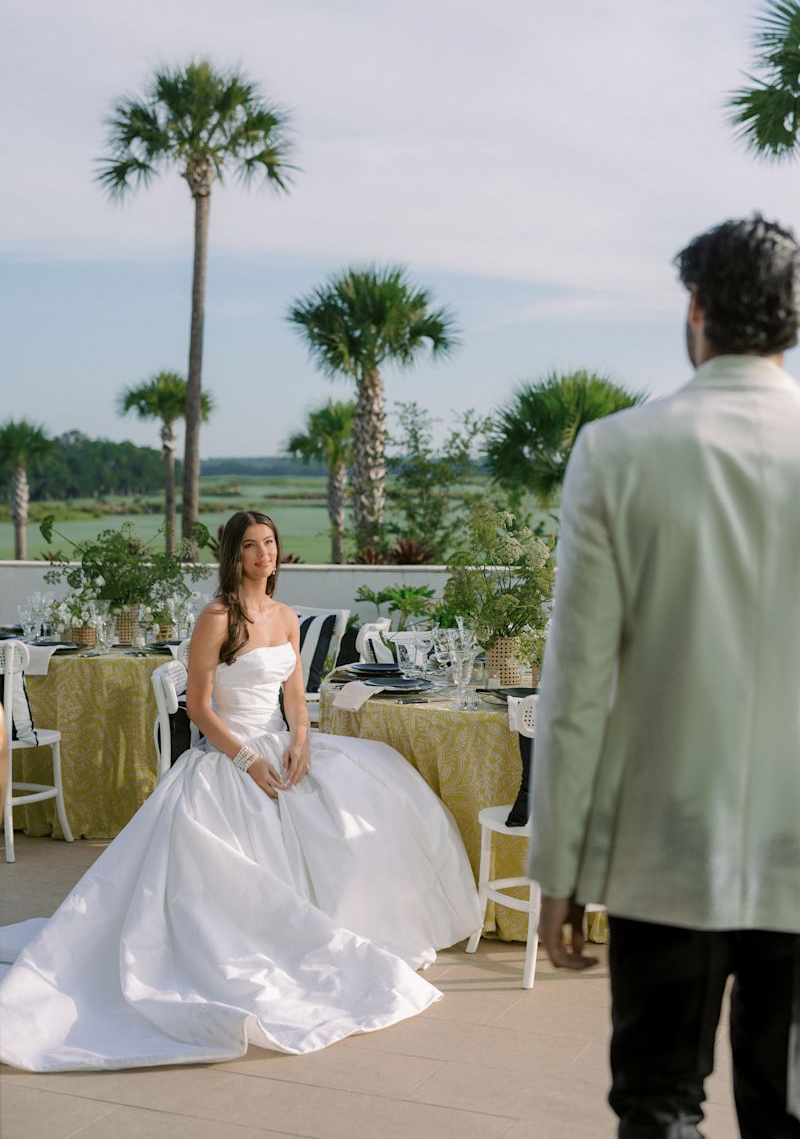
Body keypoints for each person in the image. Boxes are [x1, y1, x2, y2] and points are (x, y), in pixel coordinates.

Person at [0, 510, 481, 1072]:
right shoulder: (216, 618)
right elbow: (200, 708)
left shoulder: (284, 616)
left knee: (377, 784)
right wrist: (249, 760)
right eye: (251, 546)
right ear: (233, 556)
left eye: (271, 543)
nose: (264, 555)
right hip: (232, 754)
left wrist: (301, 740)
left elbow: (296, 698)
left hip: (282, 744)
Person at [528, 215, 800, 1137]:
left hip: (663, 853)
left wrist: (558, 865)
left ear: (695, 312)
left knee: (657, 1105)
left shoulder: (617, 451)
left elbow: (576, 690)